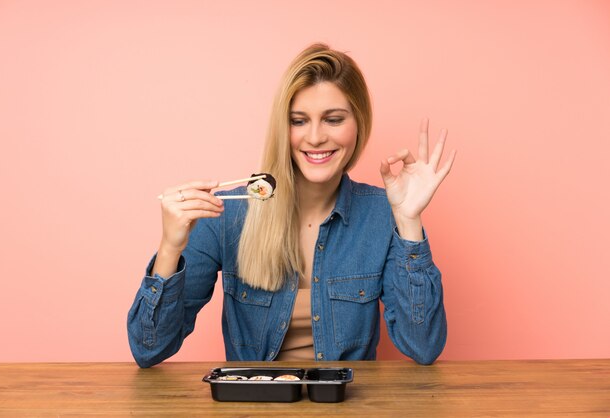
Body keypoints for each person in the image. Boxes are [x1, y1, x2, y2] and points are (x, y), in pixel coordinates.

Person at [127, 43, 456, 368]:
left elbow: (423, 347)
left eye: (333, 119)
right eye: (299, 121)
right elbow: (149, 348)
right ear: (282, 128)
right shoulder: (225, 215)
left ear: (359, 123)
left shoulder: (382, 215)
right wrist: (170, 247)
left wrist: (409, 222)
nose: (315, 137)